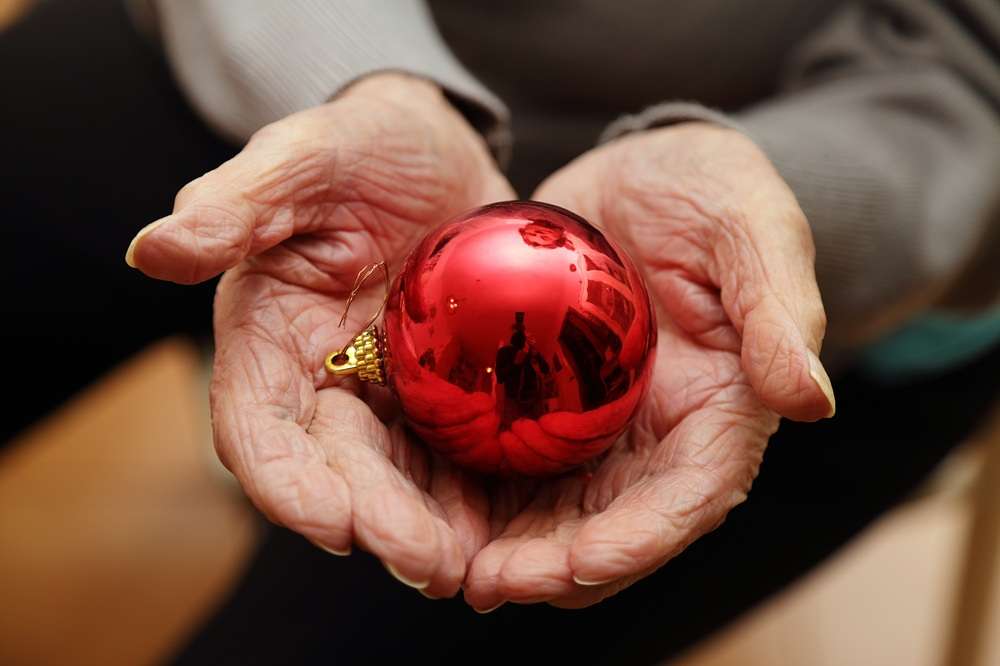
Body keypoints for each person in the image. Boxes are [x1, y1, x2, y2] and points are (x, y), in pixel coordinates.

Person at [4, 1, 998, 663]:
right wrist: (370, 78)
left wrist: (782, 200)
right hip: (303, 42)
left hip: (818, 236)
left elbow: (974, 67)